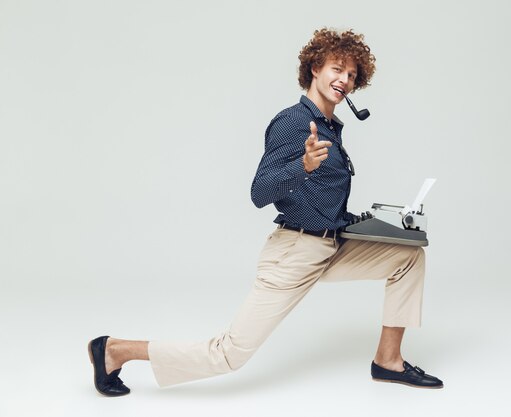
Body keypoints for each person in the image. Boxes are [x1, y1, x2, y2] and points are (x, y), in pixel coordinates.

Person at [88, 27, 443, 397]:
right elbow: (259, 193)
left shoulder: (330, 126)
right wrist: (301, 166)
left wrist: (372, 224)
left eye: (352, 75)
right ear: (315, 68)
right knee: (228, 355)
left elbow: (319, 199)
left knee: (408, 255)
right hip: (295, 252)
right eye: (338, 69)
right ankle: (113, 350)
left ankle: (388, 361)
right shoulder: (293, 122)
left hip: (331, 244)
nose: (345, 80)